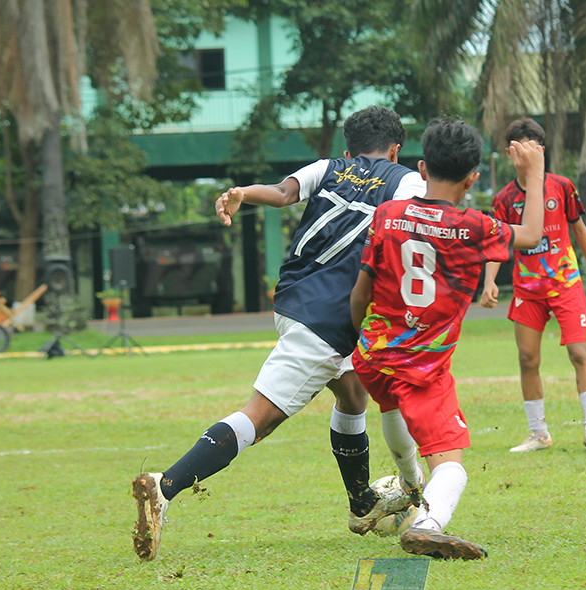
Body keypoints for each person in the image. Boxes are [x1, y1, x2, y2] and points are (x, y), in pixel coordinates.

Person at [131, 106, 426, 561]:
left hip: (295, 298)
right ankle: (164, 486)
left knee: (352, 394)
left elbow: (285, 192)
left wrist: (241, 193)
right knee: (259, 418)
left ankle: (361, 503)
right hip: (330, 316)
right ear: (395, 149)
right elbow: (413, 230)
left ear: (349, 148)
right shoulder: (406, 182)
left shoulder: (330, 166)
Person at [350, 118, 545, 559]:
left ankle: (410, 484)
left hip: (372, 355)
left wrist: (361, 336)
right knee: (453, 466)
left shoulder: (387, 215)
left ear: (422, 168)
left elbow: (360, 294)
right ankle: (427, 524)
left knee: (390, 405)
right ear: (472, 178)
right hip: (422, 368)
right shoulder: (475, 227)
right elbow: (532, 235)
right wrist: (533, 176)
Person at [480, 117, 586, 453]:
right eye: (520, 148)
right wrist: (489, 280)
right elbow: (497, 243)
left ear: (541, 151)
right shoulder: (505, 199)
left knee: (578, 352)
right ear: (511, 153)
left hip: (566, 283)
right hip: (527, 290)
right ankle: (538, 434)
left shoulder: (562, 187)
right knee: (527, 359)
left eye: (534, 148)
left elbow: (579, 229)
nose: (527, 154)